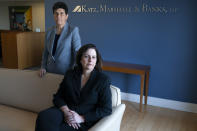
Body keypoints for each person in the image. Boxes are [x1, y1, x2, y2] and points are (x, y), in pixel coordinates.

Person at [35, 44, 112, 131]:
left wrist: (81, 118)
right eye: (87, 56)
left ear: (97, 60)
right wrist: (66, 112)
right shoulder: (70, 74)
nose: (90, 60)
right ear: (80, 59)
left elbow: (106, 109)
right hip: (64, 111)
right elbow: (58, 96)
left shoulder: (103, 80)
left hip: (84, 119)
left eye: (94, 57)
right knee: (43, 116)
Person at [39, 1, 81, 76]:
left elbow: (77, 53)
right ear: (53, 15)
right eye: (56, 13)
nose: (58, 16)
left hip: (66, 73)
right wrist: (43, 66)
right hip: (49, 71)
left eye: (61, 13)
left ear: (66, 16)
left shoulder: (73, 31)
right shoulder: (49, 31)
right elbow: (45, 52)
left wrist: (75, 71)